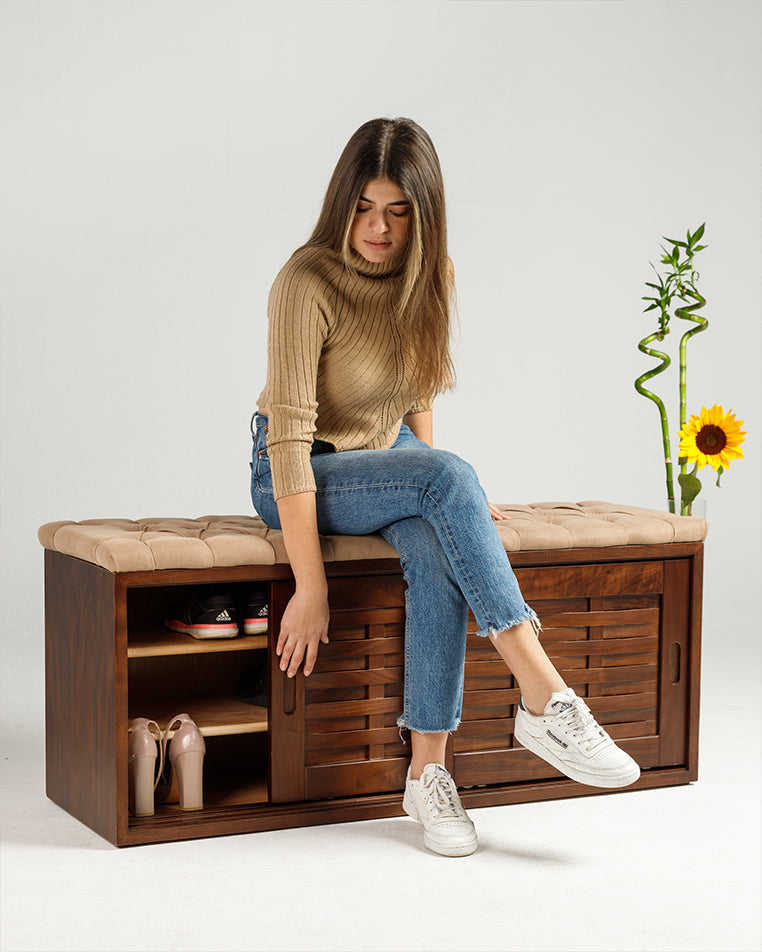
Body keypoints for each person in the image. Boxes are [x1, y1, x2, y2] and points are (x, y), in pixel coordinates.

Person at [250, 117, 640, 857]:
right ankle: (545, 696)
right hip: (298, 466)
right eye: (365, 206)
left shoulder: (434, 275)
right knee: (449, 477)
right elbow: (290, 438)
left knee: (438, 542)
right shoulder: (305, 281)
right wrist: (312, 584)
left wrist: (442, 493)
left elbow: (417, 391)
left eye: (399, 212)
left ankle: (426, 775)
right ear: (343, 202)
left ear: (422, 216)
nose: (379, 227)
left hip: (385, 452)